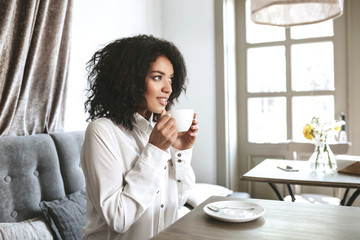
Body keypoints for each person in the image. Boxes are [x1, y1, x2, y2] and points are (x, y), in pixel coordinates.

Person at [80, 34, 198, 240]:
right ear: (130, 80)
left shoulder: (158, 131)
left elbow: (178, 201)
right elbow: (118, 219)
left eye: (170, 78)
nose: (168, 88)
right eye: (157, 77)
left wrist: (180, 150)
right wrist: (155, 150)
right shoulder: (101, 132)